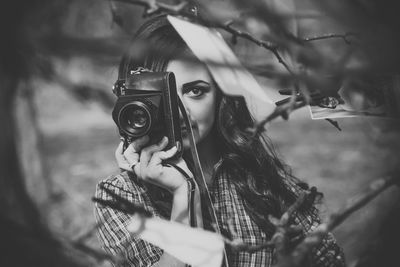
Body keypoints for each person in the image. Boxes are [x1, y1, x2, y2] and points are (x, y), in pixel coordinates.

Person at [94, 14, 345, 267]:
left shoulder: (259, 179)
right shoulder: (120, 196)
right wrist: (184, 194)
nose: (181, 111)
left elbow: (330, 259)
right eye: (162, 94)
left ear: (220, 97)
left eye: (195, 91)